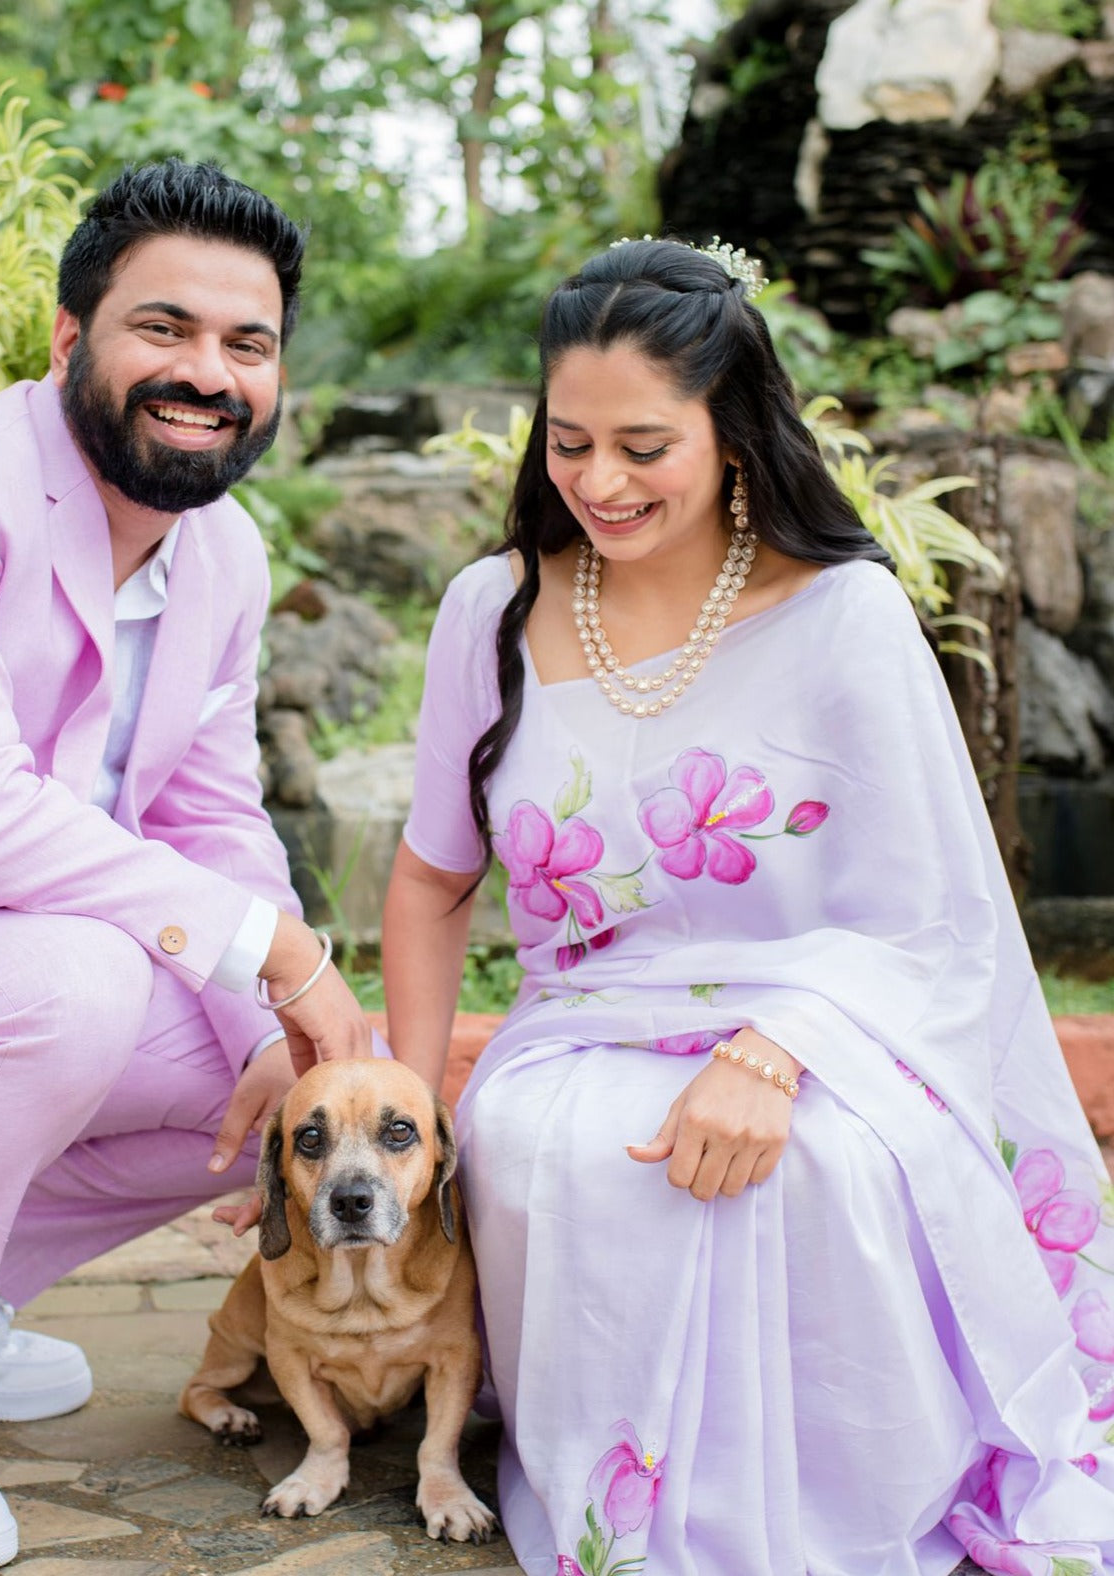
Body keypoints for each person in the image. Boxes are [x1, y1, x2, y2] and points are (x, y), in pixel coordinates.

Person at [381, 236, 1114, 1575]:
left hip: (835, 1020)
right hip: (575, 1028)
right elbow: (436, 879)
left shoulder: (845, 613)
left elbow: (927, 914)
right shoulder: (492, 610)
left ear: (736, 432)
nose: (599, 481)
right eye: (568, 441)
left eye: (644, 446)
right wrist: (409, 1114)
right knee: (566, 1147)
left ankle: (840, 1516)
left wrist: (775, 1052)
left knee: (825, 1165)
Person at [0, 159, 373, 1576]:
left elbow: (211, 814)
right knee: (77, 986)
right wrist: (276, 950)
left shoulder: (223, 553)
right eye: (162, 329)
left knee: (252, 1073)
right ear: (72, 341)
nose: (206, 373)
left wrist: (276, 1013)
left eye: (246, 345)